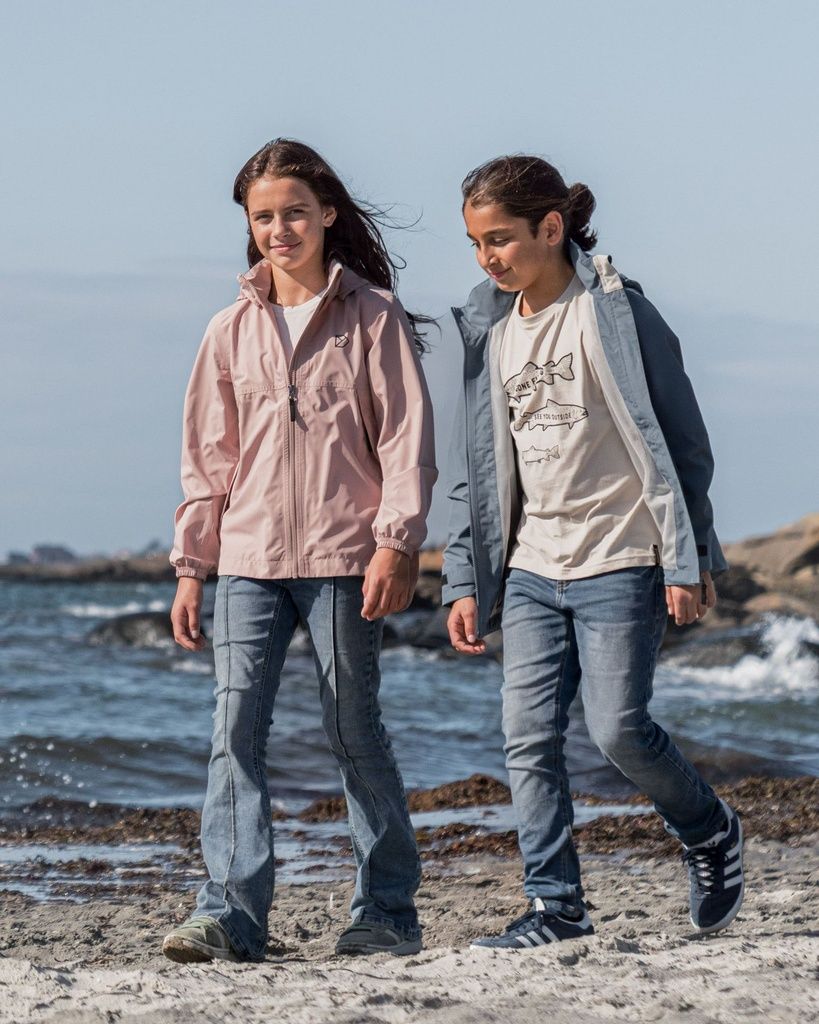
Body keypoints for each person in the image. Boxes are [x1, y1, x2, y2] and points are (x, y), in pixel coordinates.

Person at [442, 155, 744, 949]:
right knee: (527, 737)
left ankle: (708, 829)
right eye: (475, 243)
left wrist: (688, 556)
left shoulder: (616, 313)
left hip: (621, 556)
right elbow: (475, 470)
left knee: (616, 731)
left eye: (499, 239)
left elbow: (683, 444)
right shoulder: (487, 329)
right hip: (531, 567)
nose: (486, 258)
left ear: (551, 228)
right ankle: (556, 907)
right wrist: (463, 577)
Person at [162, 139, 437, 964]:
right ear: (249, 227)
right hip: (247, 561)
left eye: (292, 213)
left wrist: (396, 542)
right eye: (263, 217)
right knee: (233, 729)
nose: (278, 229)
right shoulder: (228, 329)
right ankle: (230, 913)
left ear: (326, 215)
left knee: (353, 730)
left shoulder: (373, 316)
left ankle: (385, 911)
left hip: (345, 558)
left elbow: (406, 441)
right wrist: (191, 567)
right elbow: (207, 458)